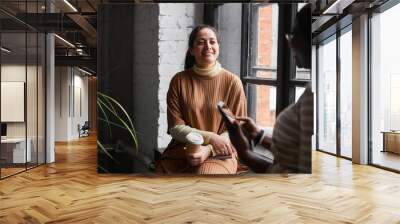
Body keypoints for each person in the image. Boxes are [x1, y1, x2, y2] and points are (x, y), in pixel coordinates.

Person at [227, 4, 313, 173]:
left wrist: (245, 153)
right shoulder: (312, 91)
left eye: (293, 34)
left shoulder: (314, 98)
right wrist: (258, 135)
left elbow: (293, 176)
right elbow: (292, 156)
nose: (289, 42)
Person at [156, 25, 247, 174]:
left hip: (221, 152)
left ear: (218, 47)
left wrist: (209, 149)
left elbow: (237, 128)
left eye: (212, 42)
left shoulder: (232, 82)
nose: (208, 46)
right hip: (183, 149)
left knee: (205, 174)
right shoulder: (179, 81)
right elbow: (175, 127)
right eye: (201, 42)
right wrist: (211, 138)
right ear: (191, 50)